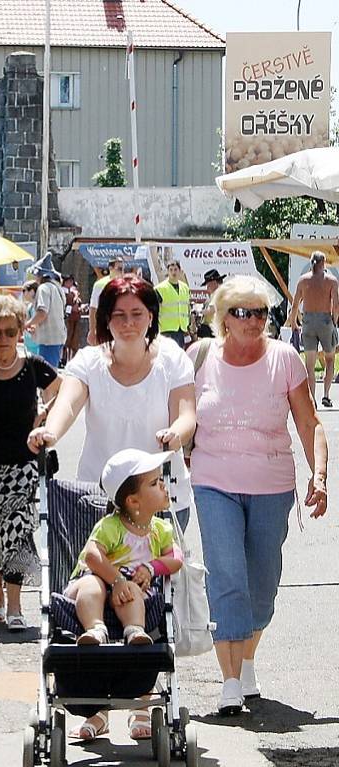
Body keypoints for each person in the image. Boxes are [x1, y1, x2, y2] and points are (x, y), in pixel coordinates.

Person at [27, 274, 196, 739]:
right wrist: (50, 433)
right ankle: (96, 705)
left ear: (151, 318)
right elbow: (68, 404)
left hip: (159, 495)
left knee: (150, 604)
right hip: (98, 500)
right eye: (118, 314)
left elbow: (186, 411)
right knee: (97, 595)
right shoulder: (88, 362)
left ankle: (142, 702)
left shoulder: (172, 360)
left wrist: (176, 434)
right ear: (105, 319)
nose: (127, 322)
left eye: (136, 314)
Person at [187, 275, 327, 716]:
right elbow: (179, 414)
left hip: (271, 485)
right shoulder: (200, 357)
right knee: (227, 575)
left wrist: (319, 474)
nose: (253, 321)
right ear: (223, 318)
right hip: (213, 483)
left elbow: (310, 424)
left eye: (261, 312)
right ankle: (229, 682)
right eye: (242, 312)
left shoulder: (285, 359)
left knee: (262, 587)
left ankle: (246, 660)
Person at [0, 295, 59, 630]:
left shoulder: (34, 366)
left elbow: (62, 392)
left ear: (21, 330)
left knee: (16, 531)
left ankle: (16, 605)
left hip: (21, 463)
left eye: (9, 331)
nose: (3, 338)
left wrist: (46, 413)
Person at [62, 448, 183, 648]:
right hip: (93, 581)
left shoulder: (161, 529)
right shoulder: (111, 526)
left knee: (132, 590)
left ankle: (134, 630)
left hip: (127, 590)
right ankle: (95, 628)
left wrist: (151, 567)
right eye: (154, 483)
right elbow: (92, 556)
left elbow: (176, 558)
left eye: (161, 479)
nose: (163, 485)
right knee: (93, 585)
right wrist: (117, 581)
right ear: (133, 501)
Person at [286, 250, 339, 407]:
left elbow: (295, 305)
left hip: (308, 321)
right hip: (325, 321)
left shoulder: (303, 281)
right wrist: (334, 322)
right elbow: (336, 306)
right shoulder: (331, 281)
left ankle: (312, 399)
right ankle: (326, 395)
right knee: (330, 359)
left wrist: (294, 322)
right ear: (323, 263)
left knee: (310, 363)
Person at [23, 252, 67, 367]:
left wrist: (27, 324)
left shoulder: (43, 288)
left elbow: (42, 313)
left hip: (49, 339)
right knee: (52, 371)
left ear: (40, 275)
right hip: (58, 337)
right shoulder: (58, 288)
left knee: (47, 375)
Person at [87, 256, 125, 346]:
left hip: (121, 326)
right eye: (119, 269)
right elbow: (93, 309)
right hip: (104, 327)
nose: (122, 272)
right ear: (110, 268)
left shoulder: (126, 284)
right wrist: (92, 331)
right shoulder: (100, 285)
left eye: (123, 269)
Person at [155, 261, 191, 348]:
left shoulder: (185, 288)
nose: (173, 272)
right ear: (167, 271)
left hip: (181, 329)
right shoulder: (160, 288)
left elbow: (187, 308)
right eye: (171, 270)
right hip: (166, 330)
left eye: (175, 269)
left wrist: (188, 327)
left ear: (180, 271)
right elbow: (154, 309)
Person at [196, 268, 225, 339]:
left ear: (214, 283)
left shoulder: (217, 294)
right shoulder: (220, 293)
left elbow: (211, 310)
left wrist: (199, 311)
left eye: (208, 284)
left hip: (211, 329)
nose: (207, 288)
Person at [61, 275, 82, 364]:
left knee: (74, 340)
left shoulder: (74, 292)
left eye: (71, 281)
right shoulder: (62, 292)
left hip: (75, 318)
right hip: (66, 319)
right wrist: (71, 308)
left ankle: (73, 359)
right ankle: (63, 359)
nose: (70, 283)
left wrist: (79, 307)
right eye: (68, 281)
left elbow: (78, 303)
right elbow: (64, 305)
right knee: (66, 340)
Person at [22, 280, 41, 355]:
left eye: (24, 290)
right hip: (28, 342)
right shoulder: (30, 306)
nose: (23, 293)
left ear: (32, 291)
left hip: (36, 343)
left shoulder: (38, 306)